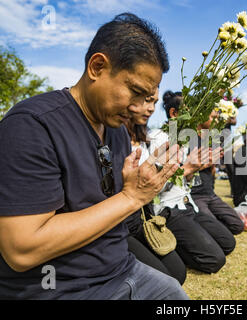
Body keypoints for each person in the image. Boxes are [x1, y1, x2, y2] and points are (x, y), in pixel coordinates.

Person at [0, 13, 189, 300]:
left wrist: (141, 188)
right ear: (97, 67)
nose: (139, 108)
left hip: (122, 269)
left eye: (148, 98)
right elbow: (22, 249)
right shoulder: (32, 125)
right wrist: (131, 198)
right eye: (135, 92)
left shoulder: (117, 131)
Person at [140, 90, 238, 274]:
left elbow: (186, 182)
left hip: (188, 205)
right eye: (190, 111)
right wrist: (187, 168)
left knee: (227, 242)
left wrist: (195, 169)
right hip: (169, 210)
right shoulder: (158, 138)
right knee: (213, 260)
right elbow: (154, 186)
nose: (196, 116)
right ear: (174, 114)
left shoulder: (184, 139)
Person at [122, 87, 187, 285]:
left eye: (153, 103)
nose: (150, 109)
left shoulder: (147, 140)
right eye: (145, 100)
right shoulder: (113, 138)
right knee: (167, 280)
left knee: (178, 273)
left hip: (143, 217)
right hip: (121, 222)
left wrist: (178, 171)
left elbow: (155, 189)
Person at [189, 109, 245, 236]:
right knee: (217, 231)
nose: (216, 120)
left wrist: (212, 165)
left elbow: (212, 169)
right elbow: (185, 169)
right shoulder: (189, 139)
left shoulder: (212, 139)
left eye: (218, 117)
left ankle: (212, 225)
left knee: (238, 225)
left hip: (210, 194)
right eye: (213, 117)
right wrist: (204, 164)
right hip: (195, 195)